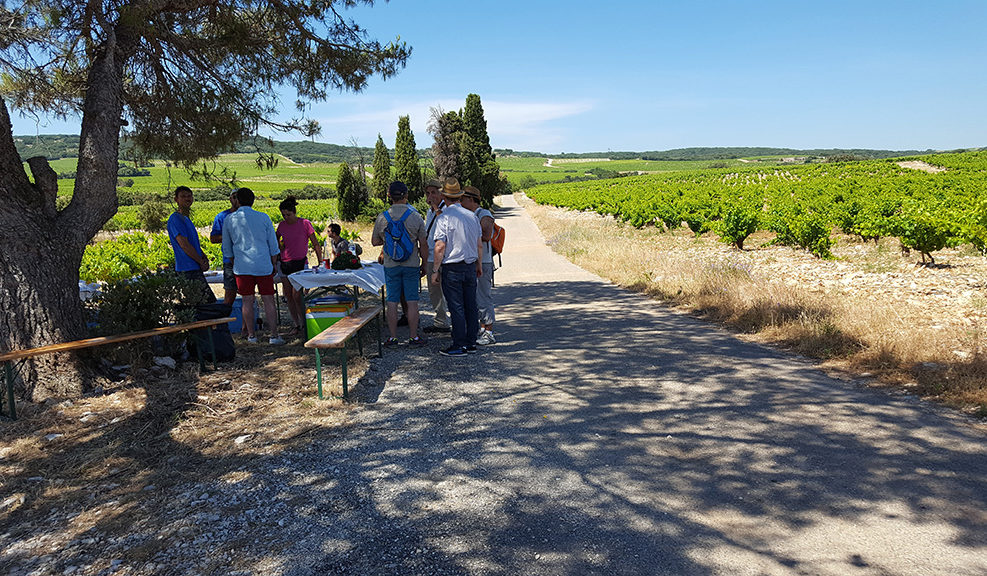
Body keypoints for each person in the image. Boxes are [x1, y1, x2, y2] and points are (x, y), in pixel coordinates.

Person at [221, 187, 284, 345]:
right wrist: (273, 262)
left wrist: (236, 263)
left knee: (247, 301)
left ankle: (251, 335)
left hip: (242, 267)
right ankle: (274, 335)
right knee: (268, 300)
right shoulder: (263, 217)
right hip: (263, 265)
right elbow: (273, 244)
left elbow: (227, 248)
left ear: (238, 200)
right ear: (253, 200)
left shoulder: (230, 219)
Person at [371, 181, 428, 346]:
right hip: (411, 264)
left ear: (389, 196)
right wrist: (424, 263)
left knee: (392, 301)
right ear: (406, 195)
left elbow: (375, 241)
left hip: (391, 265)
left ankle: (393, 337)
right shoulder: (415, 216)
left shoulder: (382, 217)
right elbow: (423, 243)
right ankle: (413, 336)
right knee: (412, 301)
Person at [431, 178, 483, 357]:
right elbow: (478, 245)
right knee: (470, 305)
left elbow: (440, 246)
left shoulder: (444, 218)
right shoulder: (472, 216)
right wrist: (478, 264)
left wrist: (435, 270)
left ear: (444, 197)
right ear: (460, 196)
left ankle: (459, 344)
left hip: (452, 267)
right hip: (469, 265)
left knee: (456, 307)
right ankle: (471, 342)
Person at [277, 196, 323, 337]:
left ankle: (304, 322)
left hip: (300, 262)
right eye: (283, 215)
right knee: (288, 295)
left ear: (294, 212)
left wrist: (320, 260)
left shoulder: (305, 224)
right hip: (285, 262)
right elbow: (275, 240)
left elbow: (315, 243)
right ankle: (296, 323)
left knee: (297, 295)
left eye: (288, 215)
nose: (286, 217)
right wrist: (280, 248)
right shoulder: (281, 225)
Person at [167, 186, 216, 303]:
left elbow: (193, 243)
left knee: (202, 304)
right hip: (187, 269)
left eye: (189, 196)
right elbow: (184, 245)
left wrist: (203, 256)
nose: (187, 199)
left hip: (194, 267)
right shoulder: (175, 219)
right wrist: (200, 261)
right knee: (208, 303)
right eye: (183, 196)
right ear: (176, 200)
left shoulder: (186, 219)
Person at [461, 186, 496, 345]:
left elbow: (487, 235)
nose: (460, 202)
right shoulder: (471, 215)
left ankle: (488, 331)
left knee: (483, 296)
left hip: (483, 261)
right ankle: (481, 328)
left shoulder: (484, 214)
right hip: (473, 261)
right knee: (474, 297)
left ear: (470, 199)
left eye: (462, 199)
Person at [422, 179, 450, 333]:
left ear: (442, 193)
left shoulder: (446, 210)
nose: (430, 196)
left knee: (449, 290)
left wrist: (435, 208)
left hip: (444, 257)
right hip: (431, 256)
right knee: (434, 291)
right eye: (428, 193)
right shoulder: (429, 212)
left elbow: (445, 225)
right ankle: (441, 321)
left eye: (433, 192)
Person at [209, 190, 240, 304]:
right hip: (229, 260)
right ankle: (224, 319)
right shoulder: (221, 217)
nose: (236, 199)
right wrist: (229, 235)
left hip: (248, 259)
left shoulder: (250, 216)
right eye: (234, 197)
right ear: (230, 199)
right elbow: (213, 238)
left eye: (239, 197)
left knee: (248, 295)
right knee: (230, 293)